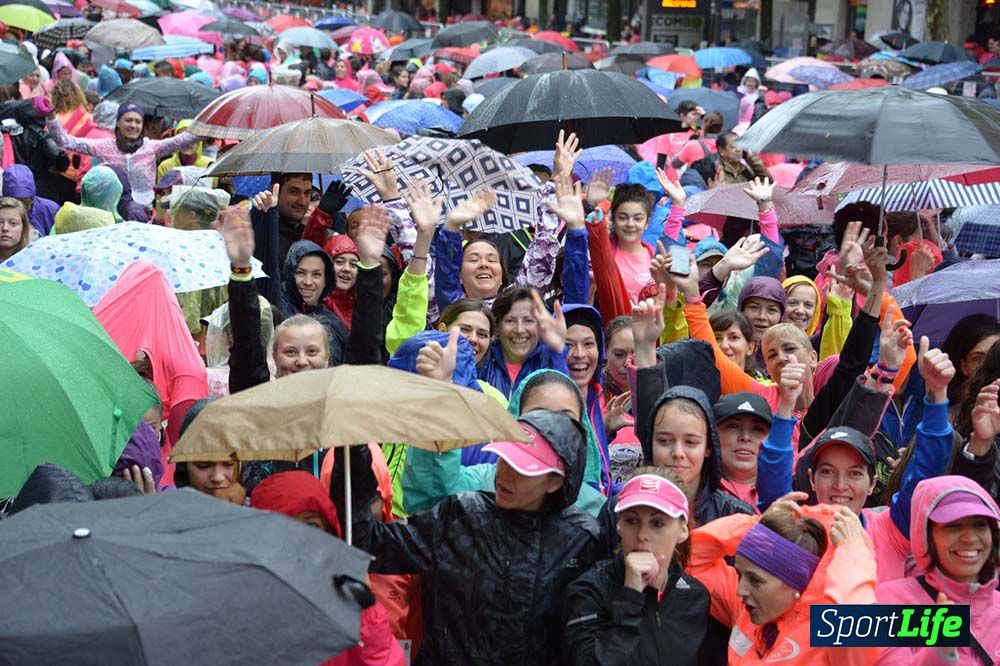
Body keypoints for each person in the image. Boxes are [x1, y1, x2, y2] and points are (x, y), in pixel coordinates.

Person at [348, 409, 601, 666]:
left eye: (522, 469)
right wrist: (355, 456)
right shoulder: (461, 517)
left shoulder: (580, 542)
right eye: (504, 459)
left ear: (554, 483)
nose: (505, 474)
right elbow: (367, 543)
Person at [689, 495, 880, 664]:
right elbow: (690, 558)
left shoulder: (828, 630)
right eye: (740, 575)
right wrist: (755, 525)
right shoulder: (745, 609)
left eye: (755, 580)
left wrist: (852, 549)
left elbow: (857, 618)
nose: (740, 590)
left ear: (796, 584)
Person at [250, 471, 407, 666]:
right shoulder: (250, 607)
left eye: (312, 526)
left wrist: (366, 617)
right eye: (285, 529)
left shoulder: (348, 605)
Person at [562, 469, 710, 665]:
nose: (642, 535)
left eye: (657, 523)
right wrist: (630, 597)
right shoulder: (589, 590)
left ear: (683, 531)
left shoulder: (695, 596)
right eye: (631, 521)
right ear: (619, 526)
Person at [876, 476, 1000, 665]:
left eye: (979, 524)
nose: (970, 538)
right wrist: (940, 652)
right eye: (953, 526)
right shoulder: (889, 601)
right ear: (925, 535)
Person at [43, 100, 202, 208]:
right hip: (113, 212)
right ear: (118, 123)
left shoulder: (151, 147)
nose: (133, 125)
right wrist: (51, 117)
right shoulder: (104, 146)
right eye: (128, 120)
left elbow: (183, 139)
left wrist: (209, 124)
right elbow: (65, 141)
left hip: (143, 213)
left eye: (137, 121)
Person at [2, 165, 59, 236]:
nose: (22, 207)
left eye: (25, 201)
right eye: (17, 201)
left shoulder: (50, 209)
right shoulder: (2, 211)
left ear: (32, 197)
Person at [0, 197, 30, 261]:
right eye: (0, 222)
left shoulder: (32, 260)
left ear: (24, 228)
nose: (5, 228)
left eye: (13, 223)